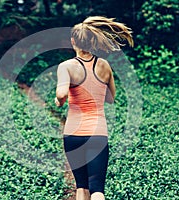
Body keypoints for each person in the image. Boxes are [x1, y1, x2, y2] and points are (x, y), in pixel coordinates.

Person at [55, 16, 133, 200]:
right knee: (97, 189)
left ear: (73, 41)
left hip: (73, 134)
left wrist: (60, 100)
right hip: (98, 134)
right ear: (93, 41)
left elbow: (61, 95)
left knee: (81, 187)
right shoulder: (105, 66)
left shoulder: (66, 67)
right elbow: (110, 99)